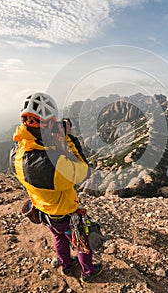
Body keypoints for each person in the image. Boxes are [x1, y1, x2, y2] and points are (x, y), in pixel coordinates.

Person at [9, 92, 103, 282]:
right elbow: (83, 170)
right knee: (81, 243)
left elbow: (40, 154)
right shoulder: (55, 166)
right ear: (49, 123)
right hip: (66, 214)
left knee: (59, 238)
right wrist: (68, 138)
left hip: (44, 212)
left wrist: (53, 140)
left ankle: (66, 266)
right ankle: (88, 272)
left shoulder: (15, 154)